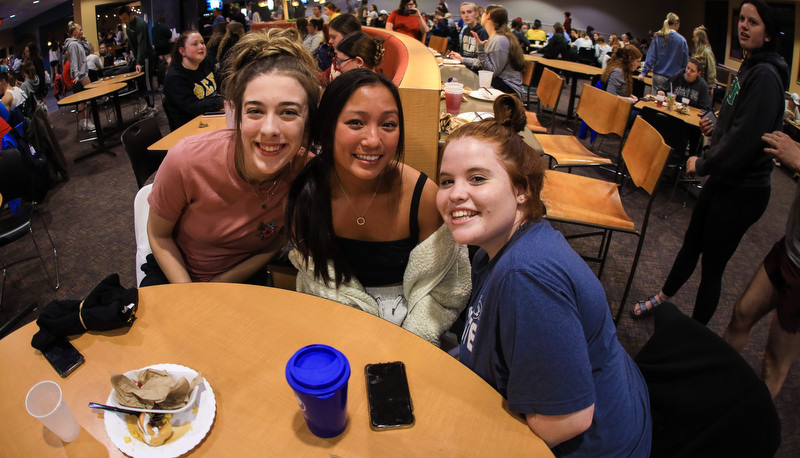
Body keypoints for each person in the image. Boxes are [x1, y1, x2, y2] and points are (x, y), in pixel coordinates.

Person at [436, 94, 651, 455]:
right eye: (446, 181)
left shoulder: (526, 277)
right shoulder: (494, 250)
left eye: (477, 178)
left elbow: (566, 422)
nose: (456, 194)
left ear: (521, 190)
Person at [632, 1, 789, 325]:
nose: (743, 26)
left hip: (743, 191)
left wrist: (701, 163)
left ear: (769, 33)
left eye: (753, 22)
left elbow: (745, 142)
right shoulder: (750, 67)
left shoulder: (766, 76)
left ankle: (694, 335)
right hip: (724, 180)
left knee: (712, 267)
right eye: (741, 19)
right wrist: (716, 122)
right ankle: (663, 298)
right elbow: (739, 122)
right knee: (691, 243)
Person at [286, 69, 470, 345]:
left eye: (388, 125)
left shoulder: (423, 197)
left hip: (409, 330)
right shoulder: (308, 194)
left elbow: (442, 289)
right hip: (333, 322)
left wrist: (411, 341)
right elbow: (316, 281)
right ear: (327, 127)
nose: (373, 140)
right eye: (356, 122)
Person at [143, 28, 320, 287]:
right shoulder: (186, 161)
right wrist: (191, 293)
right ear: (235, 113)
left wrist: (221, 284)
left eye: (288, 112)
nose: (270, 129)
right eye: (255, 111)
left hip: (243, 278)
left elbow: (278, 240)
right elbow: (159, 237)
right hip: (176, 275)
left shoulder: (305, 171)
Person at [724, 130, 800, 398]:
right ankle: (713, 387)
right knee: (742, 313)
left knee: (773, 364)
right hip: (790, 246)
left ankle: (749, 433)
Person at [163, 30, 225, 131]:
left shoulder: (206, 62)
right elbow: (193, 107)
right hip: (188, 129)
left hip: (209, 119)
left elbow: (221, 83)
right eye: (195, 44)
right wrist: (222, 101)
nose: (201, 46)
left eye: (202, 43)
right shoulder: (175, 77)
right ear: (182, 51)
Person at [470, 5, 525, 98]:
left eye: (484, 12)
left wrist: (480, 48)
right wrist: (461, 59)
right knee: (472, 75)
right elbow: (481, 63)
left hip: (509, 86)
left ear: (488, 16)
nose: (481, 15)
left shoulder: (500, 40)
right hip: (501, 81)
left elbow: (492, 72)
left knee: (473, 79)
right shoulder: (495, 37)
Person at [119, 5, 157, 116]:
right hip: (138, 58)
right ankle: (148, 103)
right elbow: (131, 41)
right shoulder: (129, 25)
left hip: (146, 57)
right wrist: (127, 52)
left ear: (131, 15)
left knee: (147, 82)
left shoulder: (141, 24)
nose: (124, 21)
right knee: (140, 83)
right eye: (122, 20)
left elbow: (141, 44)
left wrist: (139, 62)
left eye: (125, 19)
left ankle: (153, 107)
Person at [639, 12, 689, 94]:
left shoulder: (658, 36)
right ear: (676, 23)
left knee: (656, 103)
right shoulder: (682, 41)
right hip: (674, 79)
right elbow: (685, 63)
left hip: (658, 76)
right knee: (669, 104)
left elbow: (651, 56)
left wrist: (644, 72)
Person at [64, 21, 94, 131]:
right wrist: (76, 76)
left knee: (84, 99)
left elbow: (87, 50)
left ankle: (85, 122)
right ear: (74, 32)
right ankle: (85, 122)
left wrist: (84, 39)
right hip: (80, 76)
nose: (82, 31)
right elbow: (73, 62)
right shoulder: (72, 45)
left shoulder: (78, 43)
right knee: (88, 98)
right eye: (80, 30)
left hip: (82, 74)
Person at [317, 14, 362, 86]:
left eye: (333, 37)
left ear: (349, 37)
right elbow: (327, 75)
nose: (330, 41)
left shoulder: (353, 62)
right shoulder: (340, 55)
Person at [447, 2, 488, 72]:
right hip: (464, 68)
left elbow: (481, 61)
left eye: (469, 12)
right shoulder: (465, 30)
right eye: (463, 13)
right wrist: (457, 56)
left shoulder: (483, 31)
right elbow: (463, 53)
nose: (466, 15)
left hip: (476, 71)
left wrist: (462, 59)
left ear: (476, 14)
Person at [693, 25, 717, 91]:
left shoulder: (707, 52)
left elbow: (711, 71)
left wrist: (710, 87)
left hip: (704, 87)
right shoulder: (698, 51)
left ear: (699, 38)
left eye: (694, 37)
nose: (693, 39)